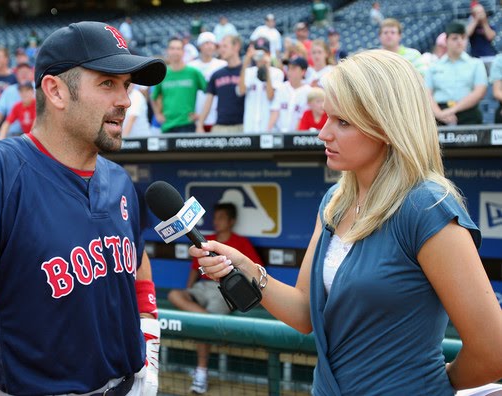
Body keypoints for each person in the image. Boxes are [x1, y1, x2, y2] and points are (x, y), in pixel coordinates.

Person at [189, 49, 502, 395]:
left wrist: (429, 383)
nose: (323, 133)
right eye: (326, 118)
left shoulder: (426, 205)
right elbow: (305, 313)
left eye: (342, 122)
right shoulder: (334, 202)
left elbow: (493, 350)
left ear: (385, 126)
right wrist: (245, 267)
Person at [0, 21, 167, 395]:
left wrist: (149, 325)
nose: (126, 100)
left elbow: (137, 261)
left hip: (133, 384)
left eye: (126, 85)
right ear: (56, 91)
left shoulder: (120, 181)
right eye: (107, 83)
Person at [168, 202, 263, 394]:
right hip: (201, 288)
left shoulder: (241, 243)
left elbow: (256, 272)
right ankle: (208, 322)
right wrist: (189, 293)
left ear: (231, 221)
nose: (216, 221)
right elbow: (195, 270)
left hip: (225, 290)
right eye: (215, 217)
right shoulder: (206, 239)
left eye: (221, 218)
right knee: (174, 295)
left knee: (201, 327)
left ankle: (201, 372)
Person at [425, 21, 487, 125]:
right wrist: (439, 114)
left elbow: (479, 92)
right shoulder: (434, 66)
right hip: (439, 113)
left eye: (463, 38)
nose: (460, 42)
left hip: (468, 112)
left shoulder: (476, 64)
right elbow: (427, 94)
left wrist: (452, 110)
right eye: (455, 38)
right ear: (446, 40)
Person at [151, 37, 207, 133]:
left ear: (183, 52)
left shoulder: (193, 72)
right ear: (167, 51)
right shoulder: (162, 73)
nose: (175, 52)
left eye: (178, 48)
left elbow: (210, 92)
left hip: (187, 125)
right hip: (167, 126)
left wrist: (201, 115)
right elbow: (153, 96)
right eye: (172, 48)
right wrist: (157, 114)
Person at [197, 34, 245, 133]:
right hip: (221, 126)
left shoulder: (248, 72)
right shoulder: (217, 74)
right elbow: (208, 102)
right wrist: (200, 124)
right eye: (220, 47)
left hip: (243, 125)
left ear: (236, 46)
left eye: (225, 46)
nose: (221, 50)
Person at [238, 37, 285, 133]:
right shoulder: (249, 72)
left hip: (268, 127)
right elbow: (241, 91)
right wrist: (246, 62)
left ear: (269, 54)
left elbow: (270, 96)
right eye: (258, 52)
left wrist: (267, 68)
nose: (261, 56)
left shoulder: (277, 73)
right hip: (250, 126)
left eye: (264, 53)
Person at [189, 32, 227, 132]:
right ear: (200, 46)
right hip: (196, 116)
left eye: (211, 43)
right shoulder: (191, 66)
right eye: (206, 43)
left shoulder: (222, 65)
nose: (209, 46)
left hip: (218, 116)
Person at [0, 62, 35, 138]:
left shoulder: (40, 88)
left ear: (32, 92)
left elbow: (38, 121)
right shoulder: (16, 103)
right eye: (20, 72)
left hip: (37, 136)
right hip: (17, 135)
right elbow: (5, 120)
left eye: (26, 72)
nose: (25, 94)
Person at [268, 57, 311, 132]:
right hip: (279, 134)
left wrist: (293, 137)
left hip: (298, 136)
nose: (289, 72)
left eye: (293, 69)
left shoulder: (309, 91)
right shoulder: (281, 88)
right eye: (289, 68)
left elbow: (303, 118)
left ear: (303, 72)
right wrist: (267, 131)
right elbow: (275, 111)